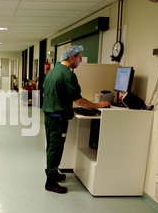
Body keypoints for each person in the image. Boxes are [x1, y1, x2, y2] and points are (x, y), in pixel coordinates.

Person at [42, 45, 111, 194]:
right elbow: (79, 101)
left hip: (49, 116)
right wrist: (98, 105)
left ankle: (53, 173)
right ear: (71, 57)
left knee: (52, 146)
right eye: (79, 57)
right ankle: (50, 182)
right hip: (58, 119)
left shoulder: (52, 72)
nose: (80, 61)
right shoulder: (68, 75)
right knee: (56, 147)